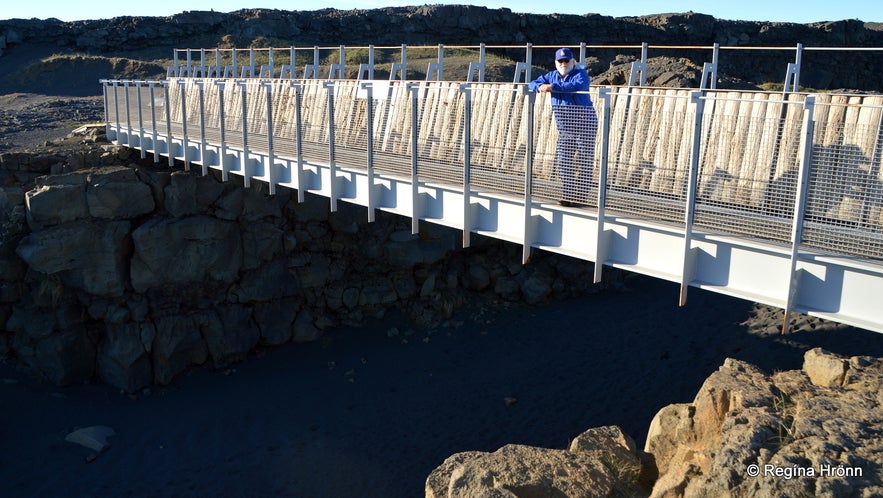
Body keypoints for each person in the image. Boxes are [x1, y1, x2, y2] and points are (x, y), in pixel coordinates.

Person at [528, 47, 598, 207]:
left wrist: (551, 87)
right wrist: (539, 87)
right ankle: (569, 194)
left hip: (585, 124)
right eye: (561, 61)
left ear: (573, 61)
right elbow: (532, 83)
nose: (564, 63)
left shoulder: (581, 74)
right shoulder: (551, 75)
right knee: (563, 160)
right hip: (565, 127)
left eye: (567, 60)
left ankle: (580, 196)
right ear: (556, 62)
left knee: (585, 160)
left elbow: (575, 86)